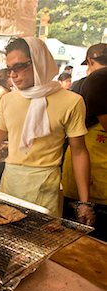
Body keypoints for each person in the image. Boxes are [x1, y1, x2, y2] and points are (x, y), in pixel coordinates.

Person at [0, 37, 92, 222]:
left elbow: (79, 152)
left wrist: (85, 202)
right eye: (9, 69)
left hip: (45, 186)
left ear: (39, 62)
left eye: (19, 67)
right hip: (10, 183)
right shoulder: (8, 101)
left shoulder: (71, 102)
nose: (13, 75)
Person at [62, 43, 107, 241]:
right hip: (95, 177)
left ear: (90, 61)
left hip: (77, 175)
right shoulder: (99, 80)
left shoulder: (80, 84)